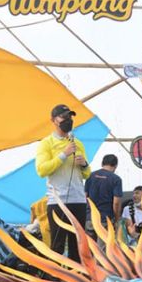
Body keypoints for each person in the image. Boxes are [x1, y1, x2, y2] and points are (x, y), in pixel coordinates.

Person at [35, 104, 91, 262]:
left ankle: (78, 281)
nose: (68, 120)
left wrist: (84, 164)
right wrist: (63, 155)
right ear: (53, 120)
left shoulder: (77, 143)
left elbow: (87, 174)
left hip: (78, 200)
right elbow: (41, 170)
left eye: (70, 117)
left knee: (79, 246)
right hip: (57, 201)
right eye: (64, 117)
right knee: (58, 245)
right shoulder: (46, 143)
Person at [84, 154, 123, 230]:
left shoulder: (90, 176)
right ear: (115, 166)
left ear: (102, 164)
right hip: (105, 219)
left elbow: (85, 197)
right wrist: (117, 218)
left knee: (90, 242)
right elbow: (116, 202)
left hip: (90, 218)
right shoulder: (116, 179)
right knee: (104, 242)